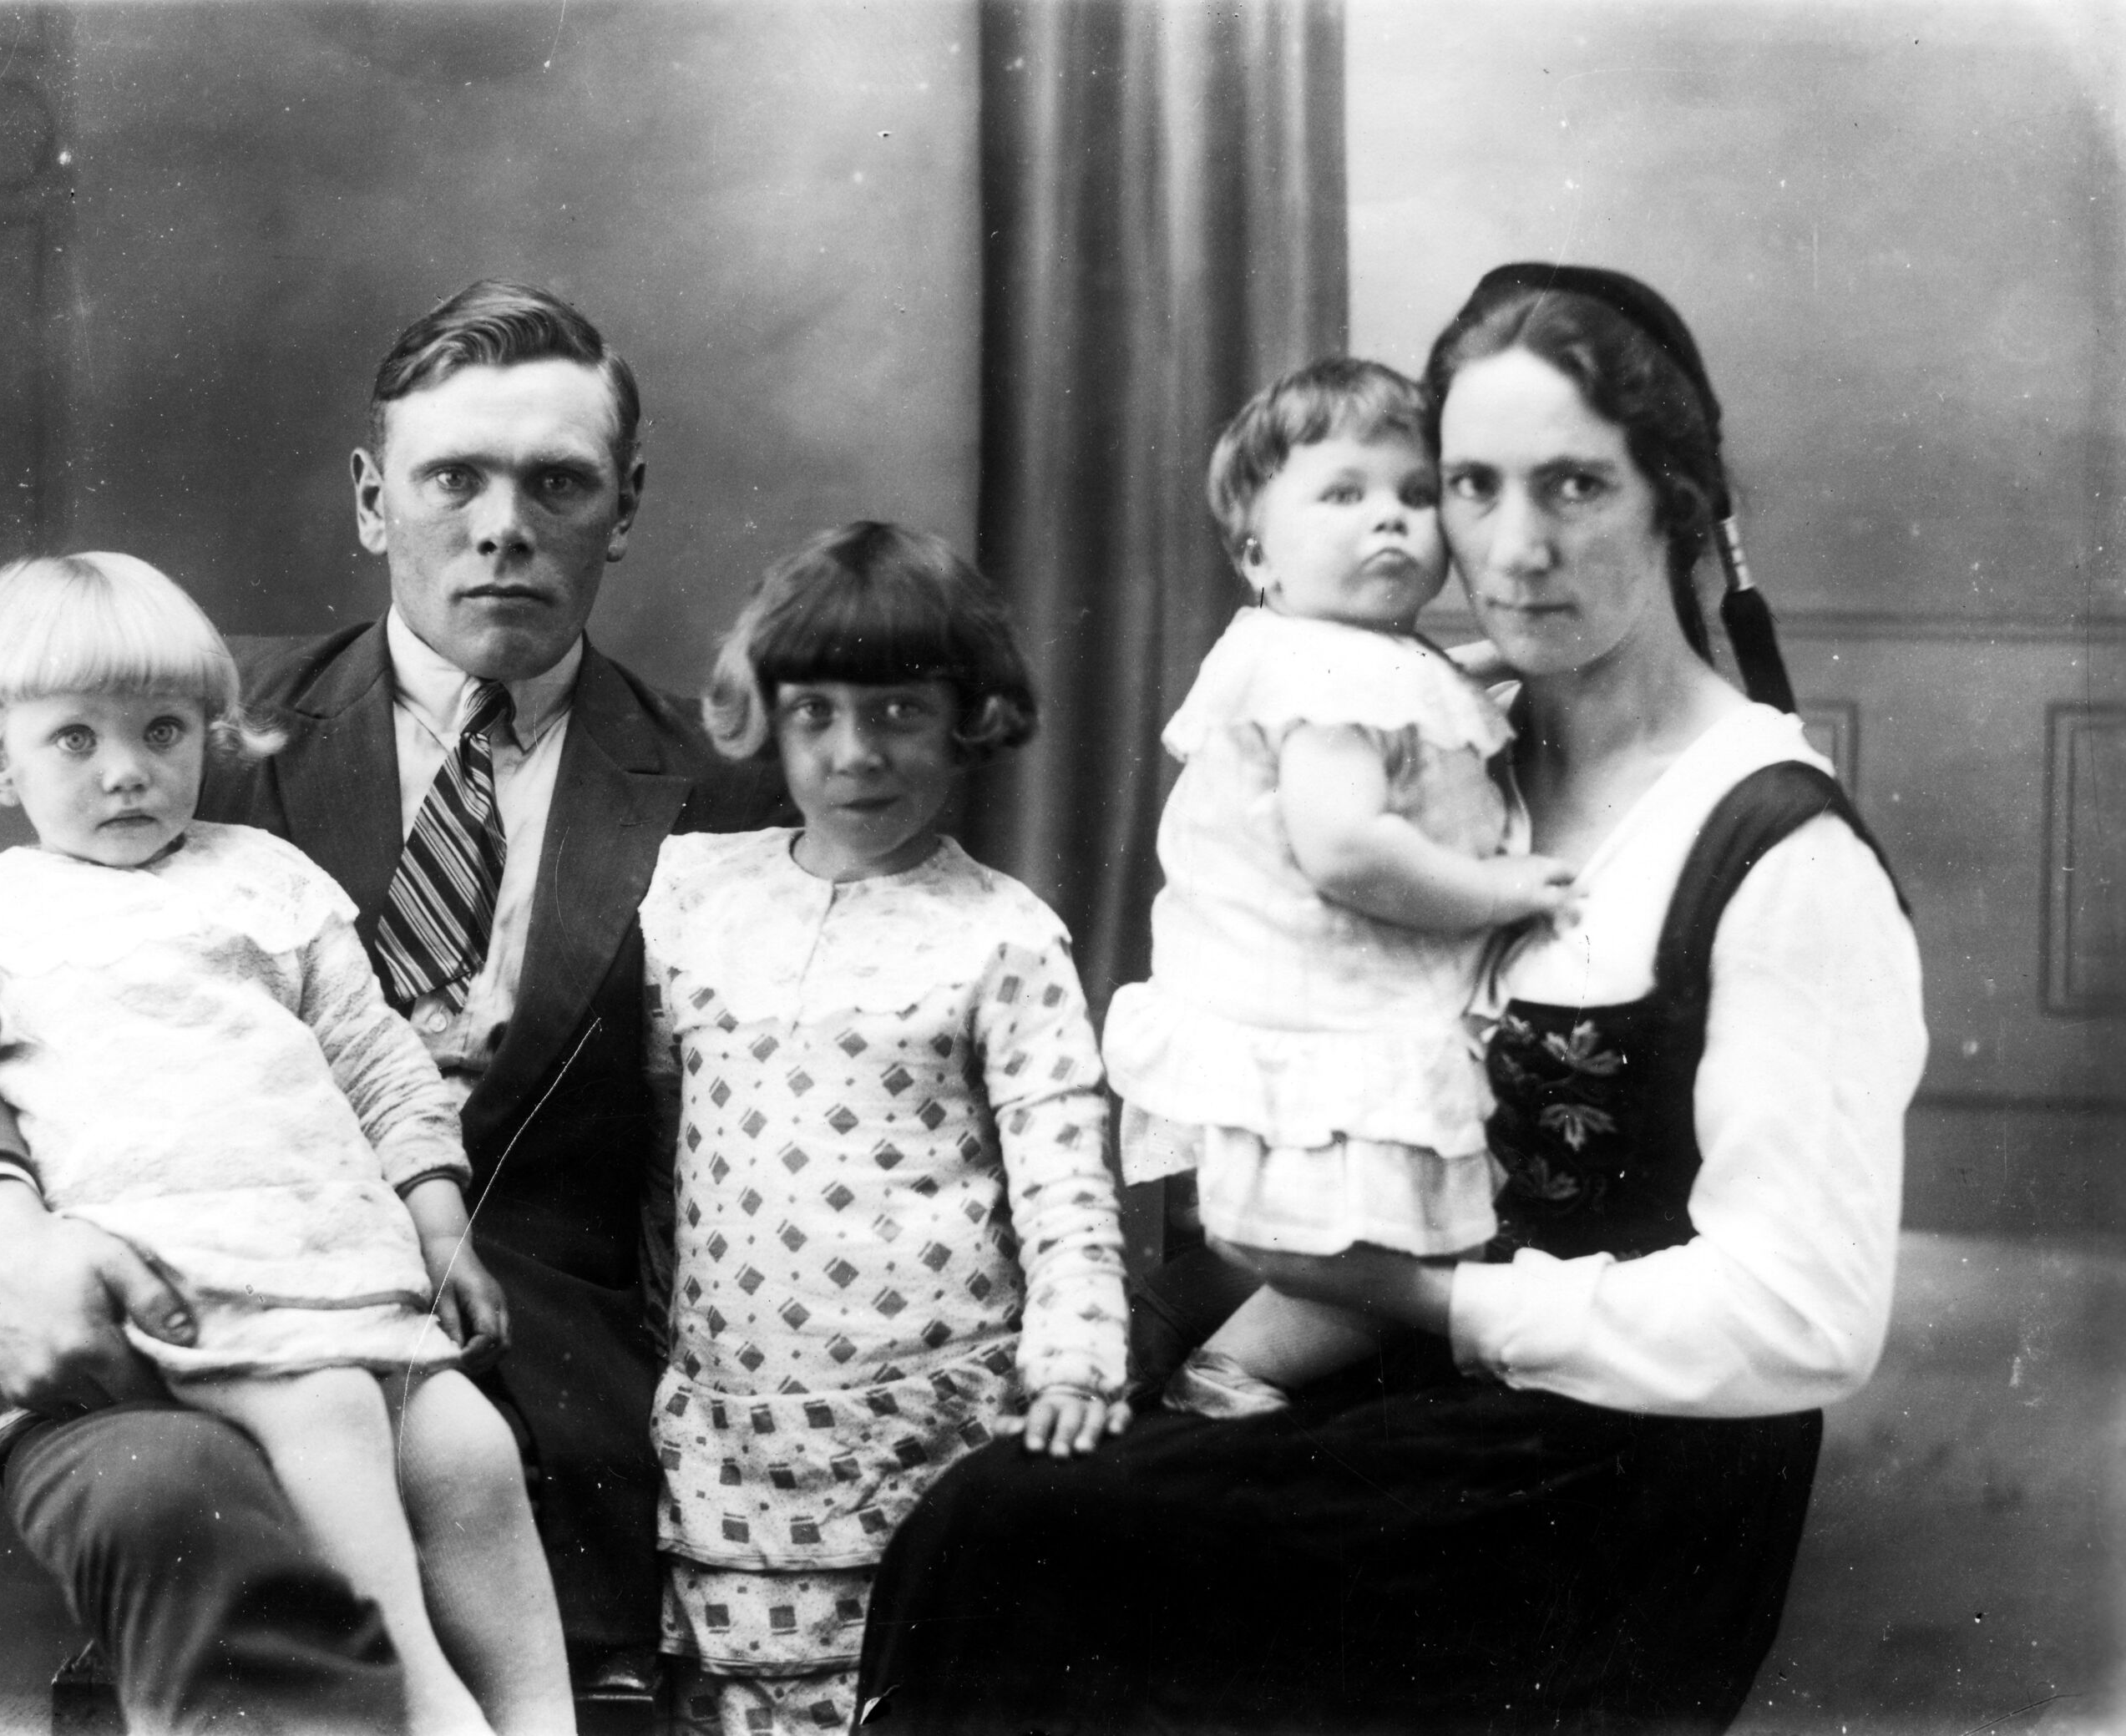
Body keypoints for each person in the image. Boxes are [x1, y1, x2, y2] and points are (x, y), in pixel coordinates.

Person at [855, 263, 1929, 1733]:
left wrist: (1419, 1296)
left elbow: (1803, 1316)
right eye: (1471, 485)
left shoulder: (1777, 848)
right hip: (1399, 1378)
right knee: (1001, 1504)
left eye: (1575, 486)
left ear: (1681, 501)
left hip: (1610, 1477)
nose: (1513, 548)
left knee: (1033, 1549)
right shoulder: (1436, 733)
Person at [0, 282, 783, 1732]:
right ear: (376, 500)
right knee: (197, 1535)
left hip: (555, 1367)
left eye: (557, 482)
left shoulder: (727, 794)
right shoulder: (188, 734)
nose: (503, 526)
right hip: (205, 1309)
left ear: (625, 505)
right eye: (454, 479)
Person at [0, 553, 572, 1736]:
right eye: (75, 738)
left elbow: (380, 1062)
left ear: (208, 732)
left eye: (162, 730)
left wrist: (440, 1225)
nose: (126, 769)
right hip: (167, 1302)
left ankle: (541, 1721)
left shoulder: (268, 881)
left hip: (338, 1274)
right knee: (332, 1414)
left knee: (467, 1446)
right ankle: (434, 1711)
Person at [640, 522, 1129, 1736]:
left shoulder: (1003, 934)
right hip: (734, 1426)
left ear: (968, 718)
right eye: (816, 713)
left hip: (930, 1422)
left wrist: (1075, 1359)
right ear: (770, 718)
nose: (855, 754)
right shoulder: (694, 894)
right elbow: (648, 1146)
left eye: (901, 712)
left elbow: (1066, 1180)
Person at [1101, 357, 1574, 1419]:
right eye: (1345, 494)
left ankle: (1226, 1350)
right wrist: (1499, 891)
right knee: (1412, 1247)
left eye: (1416, 494)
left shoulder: (1324, 649)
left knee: (1363, 1238)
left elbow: (1422, 688)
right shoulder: (1329, 676)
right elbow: (1350, 849)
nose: (1391, 519)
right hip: (1330, 1025)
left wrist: (1495, 659)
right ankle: (1237, 1371)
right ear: (1256, 552)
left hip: (1294, 1008)